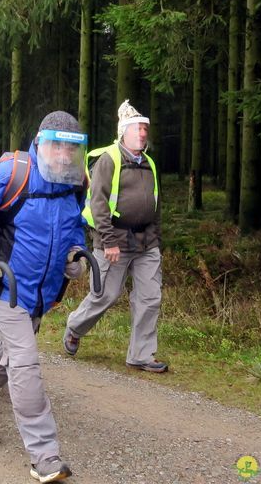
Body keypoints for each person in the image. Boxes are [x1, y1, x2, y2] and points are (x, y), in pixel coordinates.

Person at [0, 111, 88, 482]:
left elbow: (75, 226)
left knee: (2, 358)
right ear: (40, 143)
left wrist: (75, 253)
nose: (62, 154)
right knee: (25, 363)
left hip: (42, 295)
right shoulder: (12, 175)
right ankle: (44, 456)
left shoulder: (74, 183)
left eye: (70, 147)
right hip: (6, 289)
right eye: (56, 145)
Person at [64, 100, 167, 373]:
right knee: (105, 296)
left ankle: (141, 355)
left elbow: (156, 205)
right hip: (114, 241)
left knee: (150, 298)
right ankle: (74, 328)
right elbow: (98, 204)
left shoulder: (150, 164)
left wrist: (156, 239)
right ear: (124, 132)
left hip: (146, 243)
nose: (143, 133)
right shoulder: (109, 159)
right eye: (138, 128)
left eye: (145, 128)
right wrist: (108, 241)